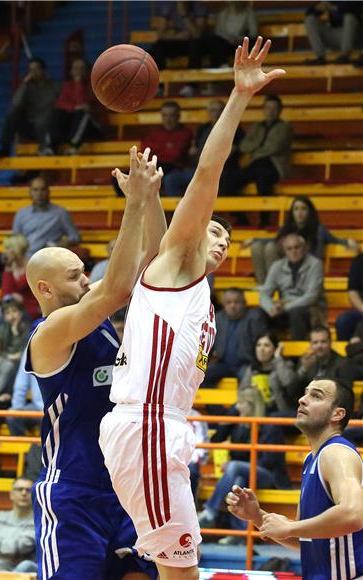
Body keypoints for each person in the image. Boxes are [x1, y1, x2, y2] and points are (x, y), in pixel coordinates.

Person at [99, 36, 286, 579]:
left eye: (228, 236)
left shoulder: (182, 277)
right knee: (182, 572)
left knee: (174, 568)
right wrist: (239, 97)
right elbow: (208, 172)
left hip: (161, 429)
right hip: (151, 427)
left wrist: (149, 198)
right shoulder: (177, 266)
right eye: (213, 228)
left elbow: (161, 238)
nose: (222, 239)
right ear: (190, 234)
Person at [25, 146, 164, 580]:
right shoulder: (49, 334)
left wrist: (152, 197)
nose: (86, 278)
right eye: (75, 276)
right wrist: (134, 203)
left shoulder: (95, 311)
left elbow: (156, 262)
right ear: (45, 290)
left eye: (85, 271)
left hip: (122, 487)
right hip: (73, 492)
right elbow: (119, 288)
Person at [226, 377, 363, 580]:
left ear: (338, 414)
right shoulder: (312, 459)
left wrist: (289, 526)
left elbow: (353, 514)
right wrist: (257, 516)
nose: (302, 399)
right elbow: (306, 539)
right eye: (305, 393)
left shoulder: (336, 452)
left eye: (316, 396)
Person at [198, 388, 291, 546]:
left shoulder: (270, 427)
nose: (237, 407)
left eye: (240, 403)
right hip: (245, 474)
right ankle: (240, 534)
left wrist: (240, 466)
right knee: (238, 480)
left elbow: (270, 460)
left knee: (235, 468)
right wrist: (229, 419)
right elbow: (217, 438)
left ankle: (210, 512)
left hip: (268, 475)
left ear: (252, 405)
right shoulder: (239, 425)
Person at [248, 196, 359, 284]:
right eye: (296, 209)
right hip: (286, 263)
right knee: (257, 246)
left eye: (303, 209)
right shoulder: (287, 228)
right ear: (292, 212)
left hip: (304, 267)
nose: (299, 212)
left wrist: (348, 242)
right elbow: (275, 239)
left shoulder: (319, 229)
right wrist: (254, 239)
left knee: (270, 248)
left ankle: (274, 284)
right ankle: (263, 285)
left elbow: (335, 240)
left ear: (309, 212)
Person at [163, 100, 244, 197]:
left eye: (220, 110)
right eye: (213, 110)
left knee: (222, 181)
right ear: (208, 112)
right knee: (171, 178)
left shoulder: (235, 129)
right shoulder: (203, 128)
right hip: (198, 169)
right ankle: (177, 211)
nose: (216, 113)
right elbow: (194, 149)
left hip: (221, 171)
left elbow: (235, 150)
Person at [236, 94, 292, 226]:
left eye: (274, 108)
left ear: (280, 110)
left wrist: (255, 148)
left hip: (274, 165)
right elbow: (244, 146)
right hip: (255, 164)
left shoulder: (285, 127)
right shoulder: (257, 126)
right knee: (230, 179)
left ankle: (264, 220)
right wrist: (259, 145)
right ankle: (241, 219)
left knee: (263, 180)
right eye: (268, 108)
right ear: (264, 110)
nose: (271, 111)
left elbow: (274, 148)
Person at [259, 233, 327, 339]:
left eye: (297, 247)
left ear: (304, 248)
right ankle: (266, 347)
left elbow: (312, 296)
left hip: (309, 310)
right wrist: (271, 308)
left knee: (296, 313)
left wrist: (285, 307)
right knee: (257, 314)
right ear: (284, 251)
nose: (293, 251)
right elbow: (264, 293)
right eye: (289, 249)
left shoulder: (315, 264)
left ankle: (297, 352)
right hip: (283, 310)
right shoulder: (277, 266)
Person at [0, 58, 59, 157]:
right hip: (31, 127)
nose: (34, 73)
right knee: (14, 114)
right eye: (31, 70)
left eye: (36, 69)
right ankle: (5, 148)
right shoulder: (28, 87)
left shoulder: (55, 87)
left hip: (48, 127)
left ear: (43, 70)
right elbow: (15, 103)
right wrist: (24, 83)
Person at [202, 287, 268, 386]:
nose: (232, 305)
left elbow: (262, 341)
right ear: (223, 304)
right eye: (228, 302)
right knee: (201, 375)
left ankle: (242, 402)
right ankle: (213, 402)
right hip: (223, 364)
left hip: (246, 364)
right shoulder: (218, 318)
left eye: (236, 302)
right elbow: (208, 344)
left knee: (249, 379)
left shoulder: (254, 317)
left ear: (244, 303)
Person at [44, 58, 102, 155]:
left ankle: (73, 146)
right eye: (75, 68)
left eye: (81, 68)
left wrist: (78, 84)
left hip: (93, 127)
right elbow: (60, 103)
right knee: (58, 113)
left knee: (83, 114)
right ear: (71, 71)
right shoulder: (68, 85)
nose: (78, 71)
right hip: (73, 126)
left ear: (87, 71)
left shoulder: (93, 86)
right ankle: (51, 146)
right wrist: (74, 107)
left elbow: (84, 104)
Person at [0, 477, 37, 573]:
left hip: (14, 571)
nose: (24, 493)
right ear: (11, 494)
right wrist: (4, 553)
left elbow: (17, 548)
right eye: (19, 489)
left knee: (26, 565)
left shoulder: (38, 522)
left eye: (28, 490)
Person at [12, 176, 81, 256]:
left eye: (43, 189)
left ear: (48, 192)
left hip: (48, 258)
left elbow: (75, 237)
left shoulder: (60, 213)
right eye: (35, 190)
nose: (39, 194)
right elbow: (14, 240)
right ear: (30, 192)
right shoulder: (21, 213)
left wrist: (60, 245)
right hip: (25, 258)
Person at [287, 326, 348, 407]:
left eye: (323, 342)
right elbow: (291, 391)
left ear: (330, 343)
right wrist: (303, 369)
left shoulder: (342, 364)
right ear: (311, 344)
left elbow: (343, 396)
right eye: (315, 342)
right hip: (305, 408)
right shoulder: (306, 361)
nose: (319, 346)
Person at [239, 332, 296, 415]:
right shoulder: (252, 369)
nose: (261, 349)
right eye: (258, 345)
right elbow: (242, 391)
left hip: (278, 410)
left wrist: (278, 358)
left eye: (266, 345)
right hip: (255, 408)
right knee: (232, 412)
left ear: (274, 349)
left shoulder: (284, 365)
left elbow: (288, 382)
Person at [149, 1, 208, 70]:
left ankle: (192, 78)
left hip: (191, 43)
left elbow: (197, 34)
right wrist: (177, 36)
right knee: (157, 47)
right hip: (175, 41)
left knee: (196, 46)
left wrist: (184, 14)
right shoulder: (168, 5)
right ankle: (159, 77)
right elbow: (160, 34)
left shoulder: (198, 5)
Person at [141, 101, 192, 178]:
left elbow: (174, 156)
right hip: (153, 166)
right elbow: (144, 150)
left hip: (174, 168)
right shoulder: (154, 131)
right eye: (165, 115)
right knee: (118, 177)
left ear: (178, 116)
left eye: (172, 115)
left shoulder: (185, 133)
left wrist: (156, 148)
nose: (168, 119)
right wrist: (166, 147)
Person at [205, 1, 258, 68]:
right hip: (226, 43)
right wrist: (228, 38)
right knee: (215, 41)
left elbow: (254, 32)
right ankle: (222, 66)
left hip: (241, 43)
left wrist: (239, 38)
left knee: (251, 41)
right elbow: (218, 32)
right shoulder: (222, 13)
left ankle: (245, 66)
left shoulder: (248, 13)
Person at [1, 233, 40, 320]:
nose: (5, 251)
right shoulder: (9, 267)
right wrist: (8, 270)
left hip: (32, 307)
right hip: (14, 307)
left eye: (7, 248)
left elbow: (23, 287)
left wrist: (21, 299)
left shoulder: (32, 265)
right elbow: (4, 294)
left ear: (16, 249)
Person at [6, 354, 43, 436]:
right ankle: (23, 448)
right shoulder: (31, 347)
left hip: (63, 407)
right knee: (12, 417)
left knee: (48, 420)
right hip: (38, 407)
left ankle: (45, 448)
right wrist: (17, 407)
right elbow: (21, 383)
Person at [336, 253, 363, 341]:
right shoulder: (359, 260)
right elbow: (352, 291)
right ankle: (345, 353)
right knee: (344, 320)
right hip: (361, 311)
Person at [0, 298, 30, 366]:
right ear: (4, 317)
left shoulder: (28, 328)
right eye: (7, 313)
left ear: (21, 312)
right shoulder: (2, 328)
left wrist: (16, 334)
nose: (11, 315)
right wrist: (8, 356)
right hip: (6, 360)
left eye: (14, 311)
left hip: (23, 363)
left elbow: (23, 352)